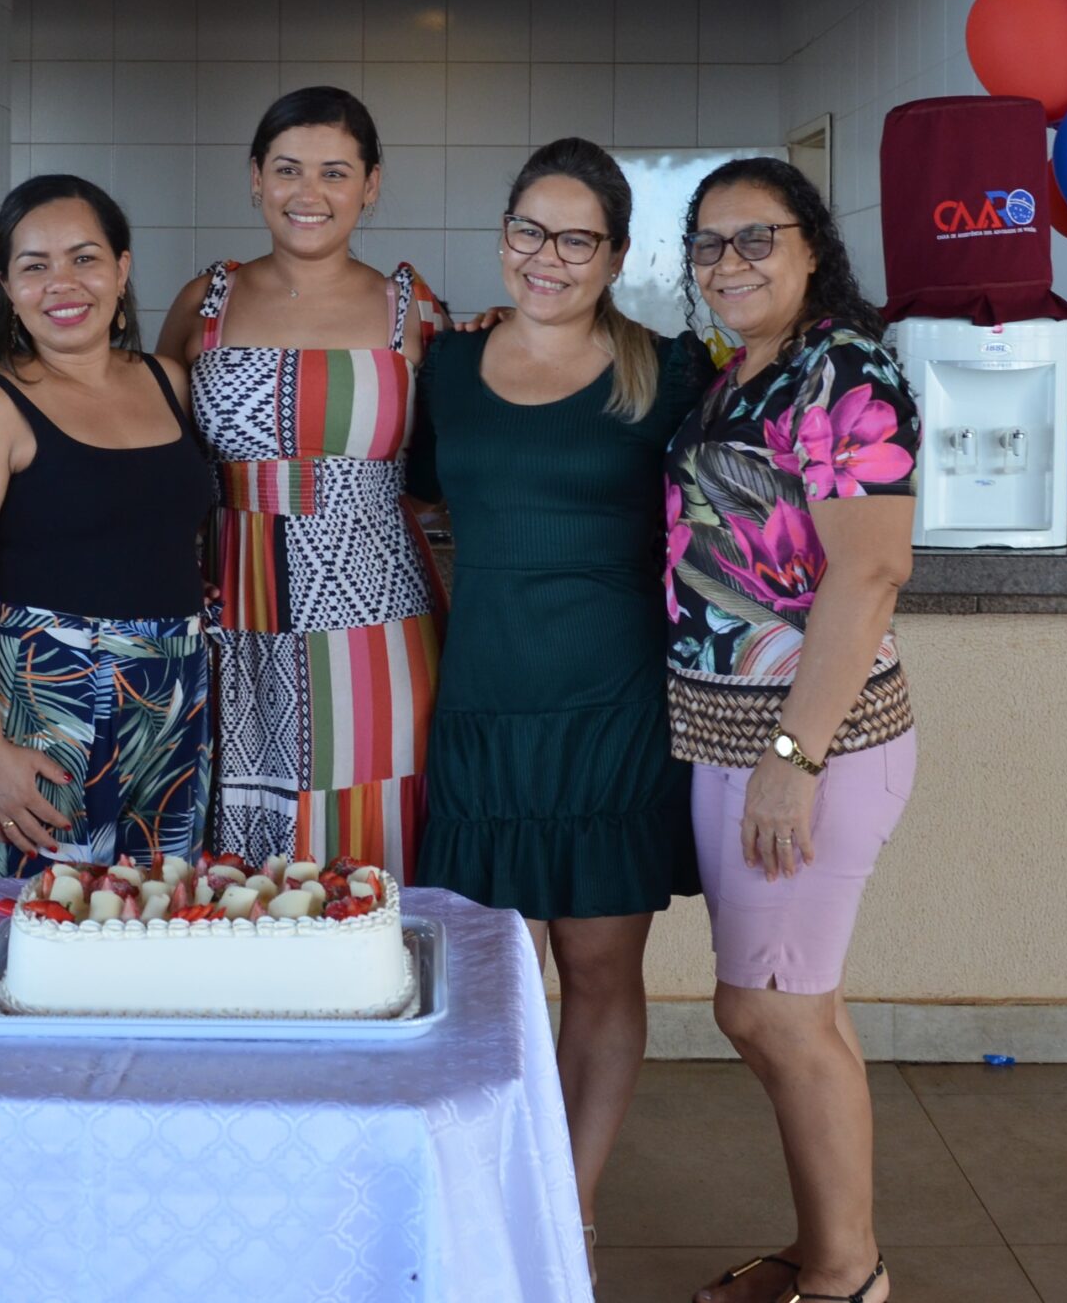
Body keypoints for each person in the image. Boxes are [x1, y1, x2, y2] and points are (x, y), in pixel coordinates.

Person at [408, 137, 710, 1251]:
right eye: (528, 231)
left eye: (577, 239)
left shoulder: (669, 371)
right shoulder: (445, 368)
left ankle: (566, 1209)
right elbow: (417, 502)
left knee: (597, 968)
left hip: (614, 709)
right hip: (483, 705)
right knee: (488, 980)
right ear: (503, 237)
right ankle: (485, 1195)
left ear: (617, 255)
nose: (548, 256)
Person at [668, 157, 919, 1303]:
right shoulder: (741, 369)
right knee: (784, 1002)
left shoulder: (842, 366)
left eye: (755, 237)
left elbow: (869, 572)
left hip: (811, 740)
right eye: (708, 243)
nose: (729, 262)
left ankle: (847, 1274)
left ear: (811, 244)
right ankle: (830, 1249)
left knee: (771, 1008)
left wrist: (792, 757)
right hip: (737, 738)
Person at [160, 87, 448, 880]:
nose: (308, 193)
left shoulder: (413, 309)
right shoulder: (206, 301)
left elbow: (446, 467)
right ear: (256, 176)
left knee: (374, 846)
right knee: (237, 862)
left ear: (371, 185)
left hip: (377, 626)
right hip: (231, 610)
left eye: (335, 172)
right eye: (287, 169)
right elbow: (156, 454)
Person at [0, 175, 220, 878]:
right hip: (39, 705)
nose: (62, 283)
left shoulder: (170, 381)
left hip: (173, 700)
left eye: (84, 258)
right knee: (33, 924)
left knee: (158, 918)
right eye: (35, 266)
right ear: (9, 287)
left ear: (121, 269)